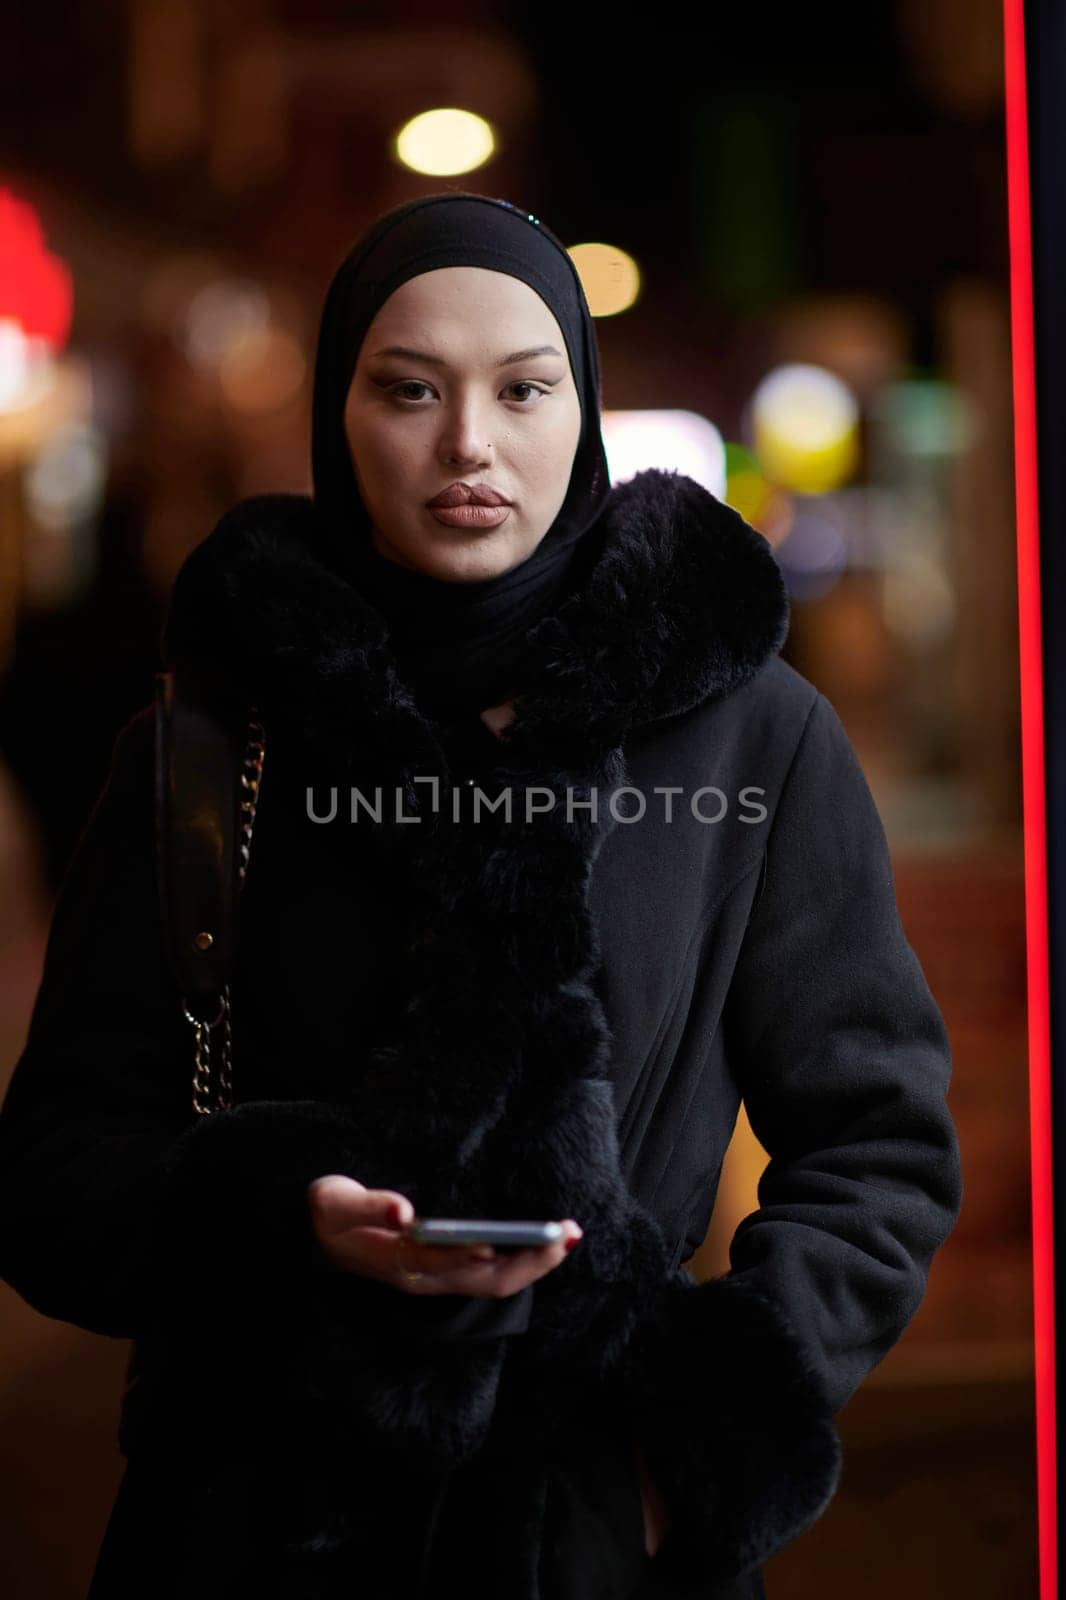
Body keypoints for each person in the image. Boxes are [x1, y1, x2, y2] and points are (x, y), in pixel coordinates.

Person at [0, 192, 964, 1600]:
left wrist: (678, 1450)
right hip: (255, 1521)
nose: (468, 445)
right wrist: (282, 1218)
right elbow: (52, 1178)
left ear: (580, 410)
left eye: (523, 389)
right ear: (339, 416)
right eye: (408, 390)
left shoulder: (746, 733)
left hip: (595, 1531)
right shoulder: (211, 751)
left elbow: (878, 1151)